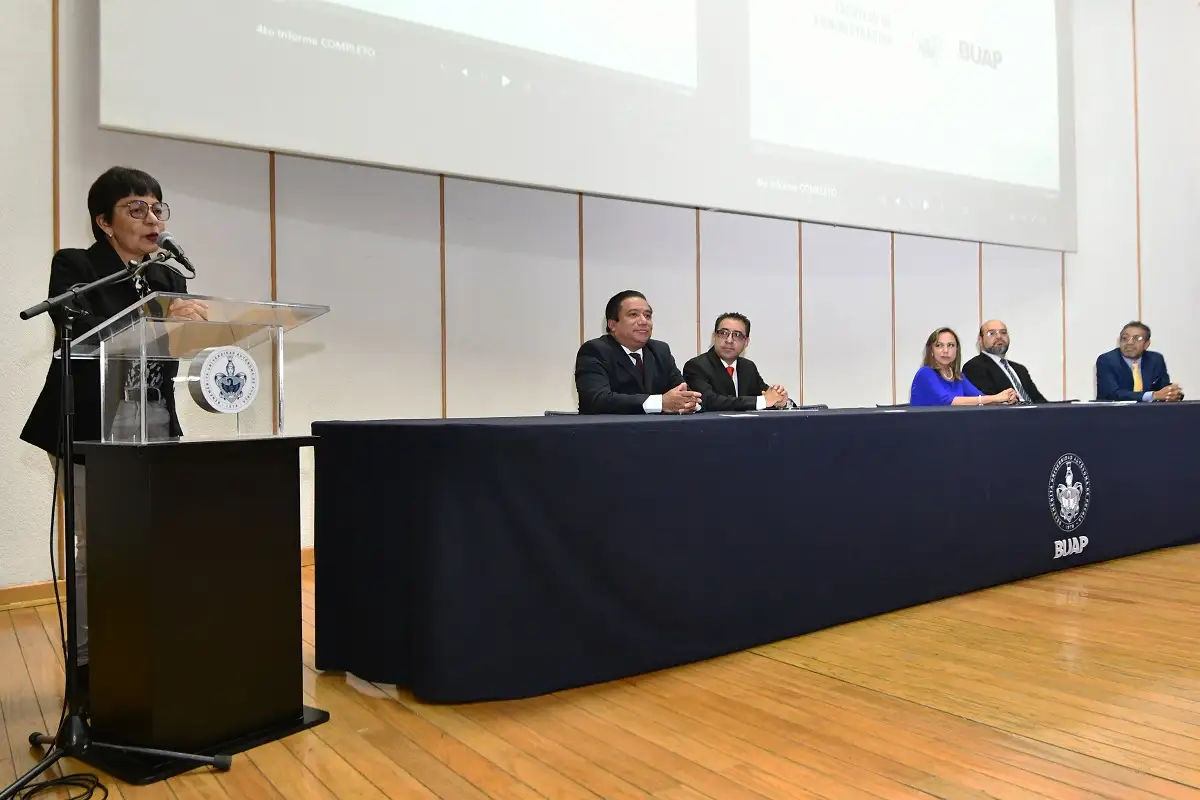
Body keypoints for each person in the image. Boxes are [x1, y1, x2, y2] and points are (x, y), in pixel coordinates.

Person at [19, 166, 208, 708]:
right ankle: (86, 663)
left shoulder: (168, 276)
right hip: (90, 425)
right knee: (91, 551)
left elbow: (171, 346)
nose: (151, 218)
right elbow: (75, 327)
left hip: (153, 420)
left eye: (157, 208)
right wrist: (156, 315)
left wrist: (189, 323)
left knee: (150, 542)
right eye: (135, 208)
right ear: (104, 221)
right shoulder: (77, 265)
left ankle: (148, 648)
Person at [574, 290, 701, 414]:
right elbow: (596, 400)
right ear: (612, 324)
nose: (643, 321)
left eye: (647, 315)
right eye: (633, 315)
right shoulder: (595, 350)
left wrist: (689, 402)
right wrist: (660, 403)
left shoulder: (660, 350)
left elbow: (684, 392)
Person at [682, 312, 790, 412]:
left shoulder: (748, 367)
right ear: (714, 337)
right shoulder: (696, 366)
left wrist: (780, 401)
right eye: (723, 333)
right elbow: (709, 401)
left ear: (746, 342)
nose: (729, 340)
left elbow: (766, 394)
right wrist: (762, 401)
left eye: (737, 335)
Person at [910, 327, 1019, 407]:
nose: (946, 350)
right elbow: (948, 402)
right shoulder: (925, 373)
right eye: (939, 345)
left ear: (956, 350)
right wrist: (996, 397)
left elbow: (980, 398)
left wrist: (1005, 398)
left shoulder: (958, 377)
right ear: (931, 351)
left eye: (950, 345)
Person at [962, 319, 1048, 403]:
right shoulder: (974, 366)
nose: (999, 336)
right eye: (991, 333)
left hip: (1035, 415)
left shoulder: (1020, 369)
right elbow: (988, 403)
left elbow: (1039, 401)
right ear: (980, 340)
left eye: (1003, 332)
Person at [1095, 320, 1183, 402]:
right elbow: (1113, 394)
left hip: (1150, 413)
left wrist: (1172, 393)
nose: (1129, 342)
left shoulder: (1155, 359)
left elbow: (1163, 388)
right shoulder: (1107, 360)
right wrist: (1153, 395)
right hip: (1114, 413)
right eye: (1125, 338)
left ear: (1146, 344)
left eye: (1137, 338)